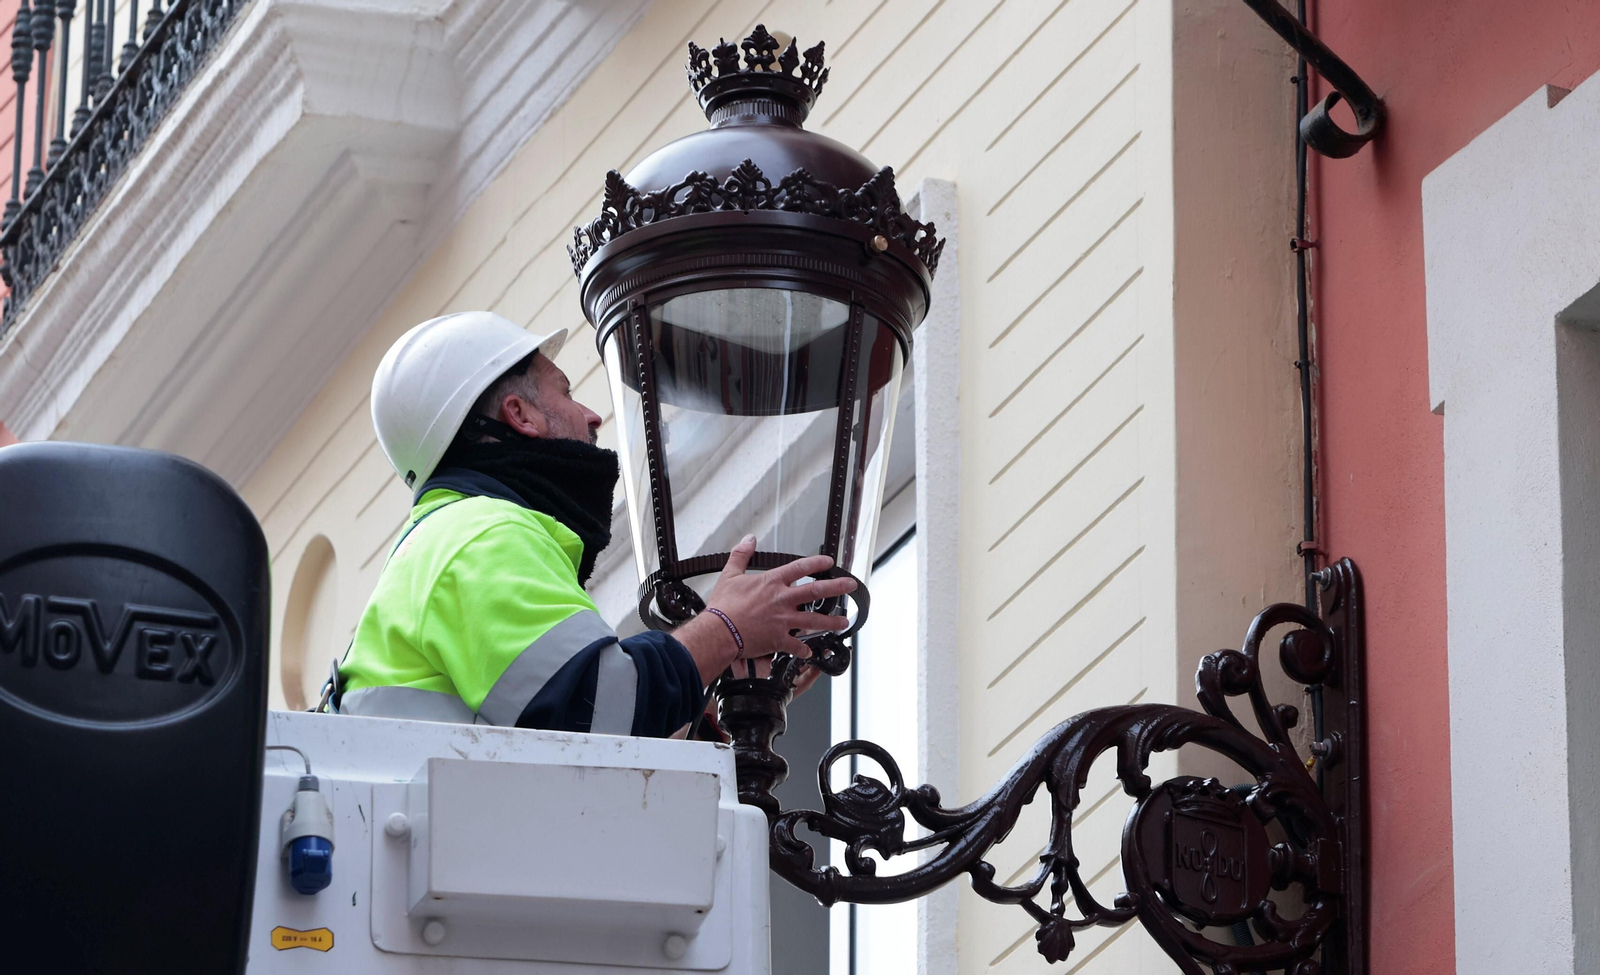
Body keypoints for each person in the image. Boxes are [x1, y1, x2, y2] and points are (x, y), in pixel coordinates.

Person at [332, 311, 852, 736]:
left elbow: (562, 756)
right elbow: (600, 708)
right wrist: (727, 629)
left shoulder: (449, 541)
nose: (591, 416)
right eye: (565, 391)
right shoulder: (481, 535)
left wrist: (722, 707)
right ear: (521, 415)